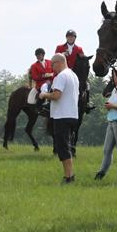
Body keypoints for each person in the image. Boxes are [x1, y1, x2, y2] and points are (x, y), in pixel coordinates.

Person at [40, 53, 79, 183]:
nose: (52, 68)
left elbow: (56, 95)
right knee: (67, 146)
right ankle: (69, 175)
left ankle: (69, 176)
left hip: (62, 115)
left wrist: (44, 94)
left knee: (63, 147)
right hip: (72, 114)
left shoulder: (61, 76)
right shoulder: (73, 75)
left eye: (53, 64)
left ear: (59, 62)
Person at [94, 66, 117, 180]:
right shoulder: (115, 90)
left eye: (115, 76)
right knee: (106, 149)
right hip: (111, 121)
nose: (113, 78)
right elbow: (111, 102)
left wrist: (112, 106)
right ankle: (102, 172)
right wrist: (108, 106)